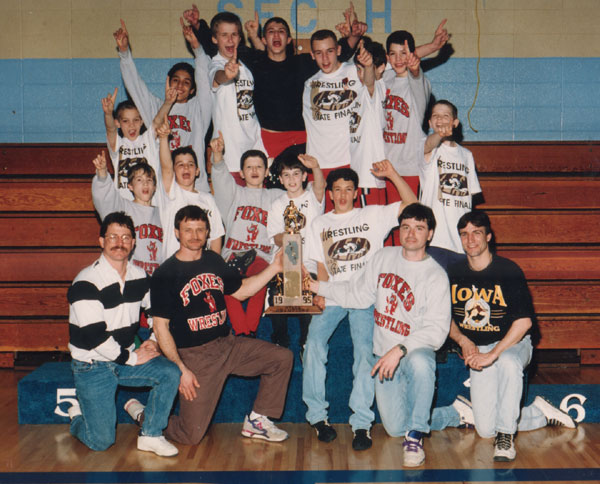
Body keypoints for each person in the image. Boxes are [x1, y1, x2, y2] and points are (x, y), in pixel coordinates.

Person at [129, 205, 293, 445]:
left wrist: (275, 268)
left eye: (200, 230)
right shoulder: (166, 274)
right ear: (176, 232)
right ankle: (144, 414)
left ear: (208, 233)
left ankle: (257, 421)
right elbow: (161, 327)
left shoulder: (213, 260)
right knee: (190, 435)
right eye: (188, 230)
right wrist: (181, 369)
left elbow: (242, 292)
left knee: (281, 358)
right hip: (195, 357)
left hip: (227, 344)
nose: (195, 236)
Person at [307, 203, 451, 467]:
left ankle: (416, 435)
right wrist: (319, 286)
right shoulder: (384, 256)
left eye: (419, 228)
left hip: (410, 353)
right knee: (395, 428)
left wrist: (400, 350)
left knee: (422, 363)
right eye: (406, 227)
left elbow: (437, 332)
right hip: (384, 358)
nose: (411, 233)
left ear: (429, 234)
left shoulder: (436, 276)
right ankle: (454, 414)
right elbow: (358, 294)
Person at [430, 210, 577, 462]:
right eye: (464, 234)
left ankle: (506, 438)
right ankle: (538, 412)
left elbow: (523, 322)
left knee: (508, 362)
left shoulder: (508, 270)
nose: (471, 239)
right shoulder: (453, 272)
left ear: (488, 236)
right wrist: (464, 341)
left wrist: (493, 354)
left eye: (477, 233)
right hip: (478, 345)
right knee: (485, 429)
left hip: (513, 342)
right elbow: (445, 317)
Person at [303, 163, 417, 451]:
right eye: (337, 190)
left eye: (348, 189)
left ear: (356, 193)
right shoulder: (319, 223)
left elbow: (412, 204)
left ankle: (362, 424)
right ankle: (317, 417)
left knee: (365, 353)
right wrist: (321, 294)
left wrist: (392, 174)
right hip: (334, 293)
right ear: (329, 193)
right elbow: (319, 264)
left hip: (366, 295)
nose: (342, 195)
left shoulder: (372, 215)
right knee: (314, 344)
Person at [185, 3, 366, 159]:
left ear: (288, 39)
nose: (276, 36)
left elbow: (331, 54)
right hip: (268, 141)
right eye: (271, 32)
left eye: (281, 32)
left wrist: (354, 36)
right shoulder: (254, 60)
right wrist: (198, 26)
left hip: (302, 140)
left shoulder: (303, 62)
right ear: (264, 39)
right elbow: (221, 43)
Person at [66, 211, 180, 456]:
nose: (120, 243)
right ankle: (77, 418)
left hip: (125, 358)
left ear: (134, 242)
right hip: (93, 365)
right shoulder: (85, 281)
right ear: (101, 241)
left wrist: (152, 341)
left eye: (126, 237)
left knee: (170, 372)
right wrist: (131, 358)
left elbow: (157, 312)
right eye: (113, 237)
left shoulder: (140, 277)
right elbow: (94, 337)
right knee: (101, 442)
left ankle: (151, 434)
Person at [114, 18, 212, 193]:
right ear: (168, 83)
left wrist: (197, 49)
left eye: (186, 82)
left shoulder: (199, 109)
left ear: (192, 90)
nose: (180, 86)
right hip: (164, 185)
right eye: (175, 80)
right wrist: (124, 52)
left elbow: (205, 79)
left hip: (195, 185)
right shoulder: (156, 107)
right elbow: (135, 86)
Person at [210, 131, 285, 336]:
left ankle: (248, 331)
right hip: (234, 253)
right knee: (229, 288)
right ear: (241, 173)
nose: (254, 170)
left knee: (260, 281)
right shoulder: (234, 194)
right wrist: (217, 156)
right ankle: (241, 331)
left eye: (259, 166)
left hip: (260, 254)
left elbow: (300, 195)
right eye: (249, 167)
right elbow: (220, 175)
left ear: (266, 171)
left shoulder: (276, 196)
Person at [267, 150, 326, 350]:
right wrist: (289, 235)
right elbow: (274, 237)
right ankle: (280, 340)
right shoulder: (277, 205)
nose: (291, 179)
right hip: (286, 263)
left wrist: (315, 166)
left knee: (307, 292)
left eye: (295, 173)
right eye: (286, 175)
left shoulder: (312, 198)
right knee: (276, 291)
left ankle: (305, 343)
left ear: (303, 176)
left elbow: (320, 185)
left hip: (309, 263)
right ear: (281, 180)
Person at [420, 100, 482, 270]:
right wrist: (439, 134)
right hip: (435, 241)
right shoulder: (430, 149)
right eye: (435, 116)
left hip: (461, 242)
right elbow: (427, 145)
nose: (440, 119)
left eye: (445, 116)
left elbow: (470, 198)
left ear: (455, 123)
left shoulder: (466, 155)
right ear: (430, 123)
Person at [207, 11, 267, 183]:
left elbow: (266, 61)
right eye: (224, 35)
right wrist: (226, 74)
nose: (230, 40)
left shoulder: (245, 67)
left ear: (240, 38)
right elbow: (218, 77)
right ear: (214, 39)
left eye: (234, 34)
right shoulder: (216, 64)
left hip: (253, 147)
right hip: (230, 156)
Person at [156, 119, 224, 260]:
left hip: (202, 265)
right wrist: (163, 139)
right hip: (175, 266)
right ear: (174, 172)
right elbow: (166, 168)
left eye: (190, 164)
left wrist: (215, 266)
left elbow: (216, 236)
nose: (186, 168)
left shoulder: (208, 199)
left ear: (198, 171)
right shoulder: (171, 193)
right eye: (180, 165)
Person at [91, 152, 163, 276]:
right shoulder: (122, 208)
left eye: (149, 180)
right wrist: (102, 175)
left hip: (158, 277)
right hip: (129, 276)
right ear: (130, 186)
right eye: (139, 180)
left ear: (155, 187)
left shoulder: (163, 213)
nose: (145, 184)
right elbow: (104, 198)